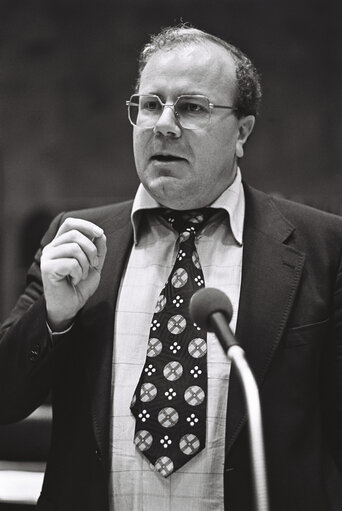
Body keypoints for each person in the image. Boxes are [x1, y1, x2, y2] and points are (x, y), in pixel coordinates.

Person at [0, 24, 342, 511]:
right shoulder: (76, 239)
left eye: (191, 107)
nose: (163, 124)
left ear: (242, 131)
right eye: (149, 104)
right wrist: (55, 319)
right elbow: (7, 401)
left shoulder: (324, 247)